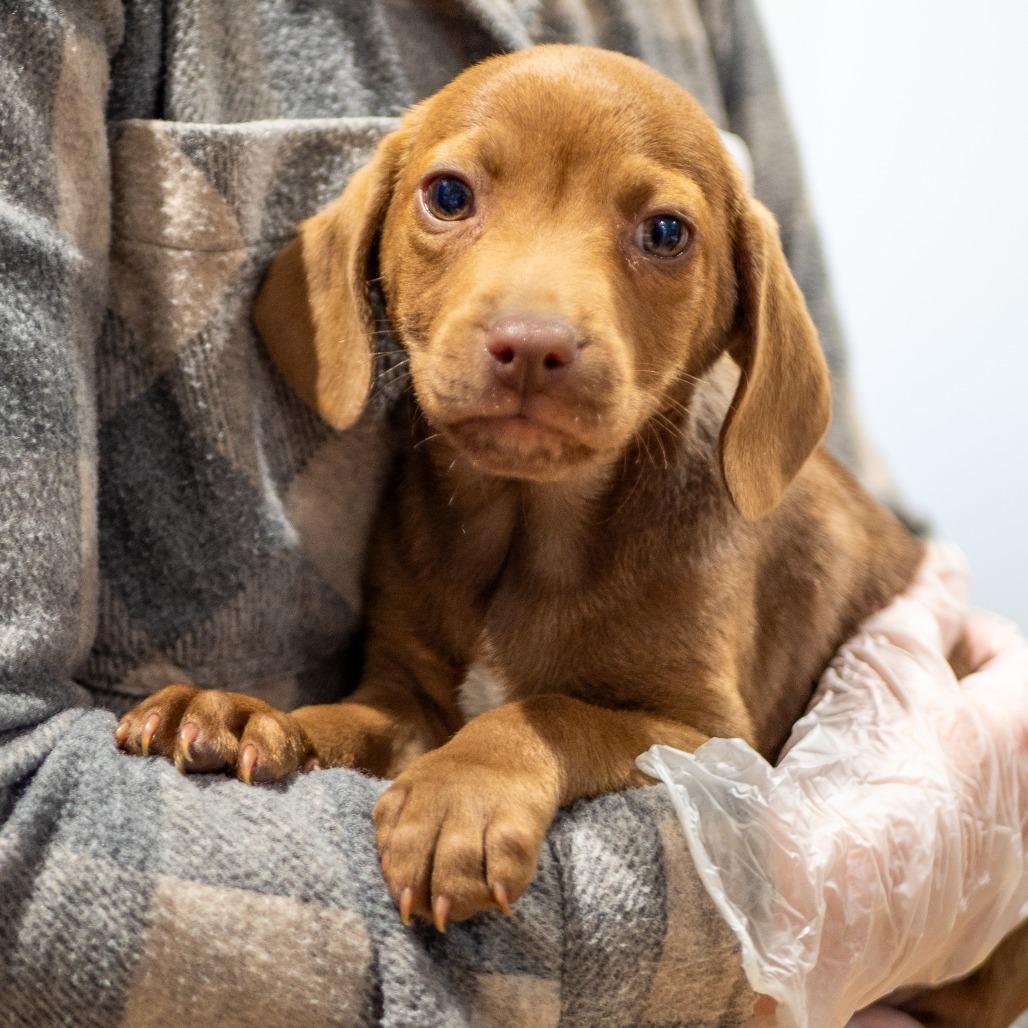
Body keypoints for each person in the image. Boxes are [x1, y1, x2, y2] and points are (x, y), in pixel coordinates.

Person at [1, 1, 1024, 1024]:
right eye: (452, 198)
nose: (537, 323)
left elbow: (699, 738)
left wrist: (523, 746)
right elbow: (412, 718)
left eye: (661, 234)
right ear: (365, 247)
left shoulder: (710, 530)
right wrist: (297, 742)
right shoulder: (424, 528)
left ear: (739, 319)